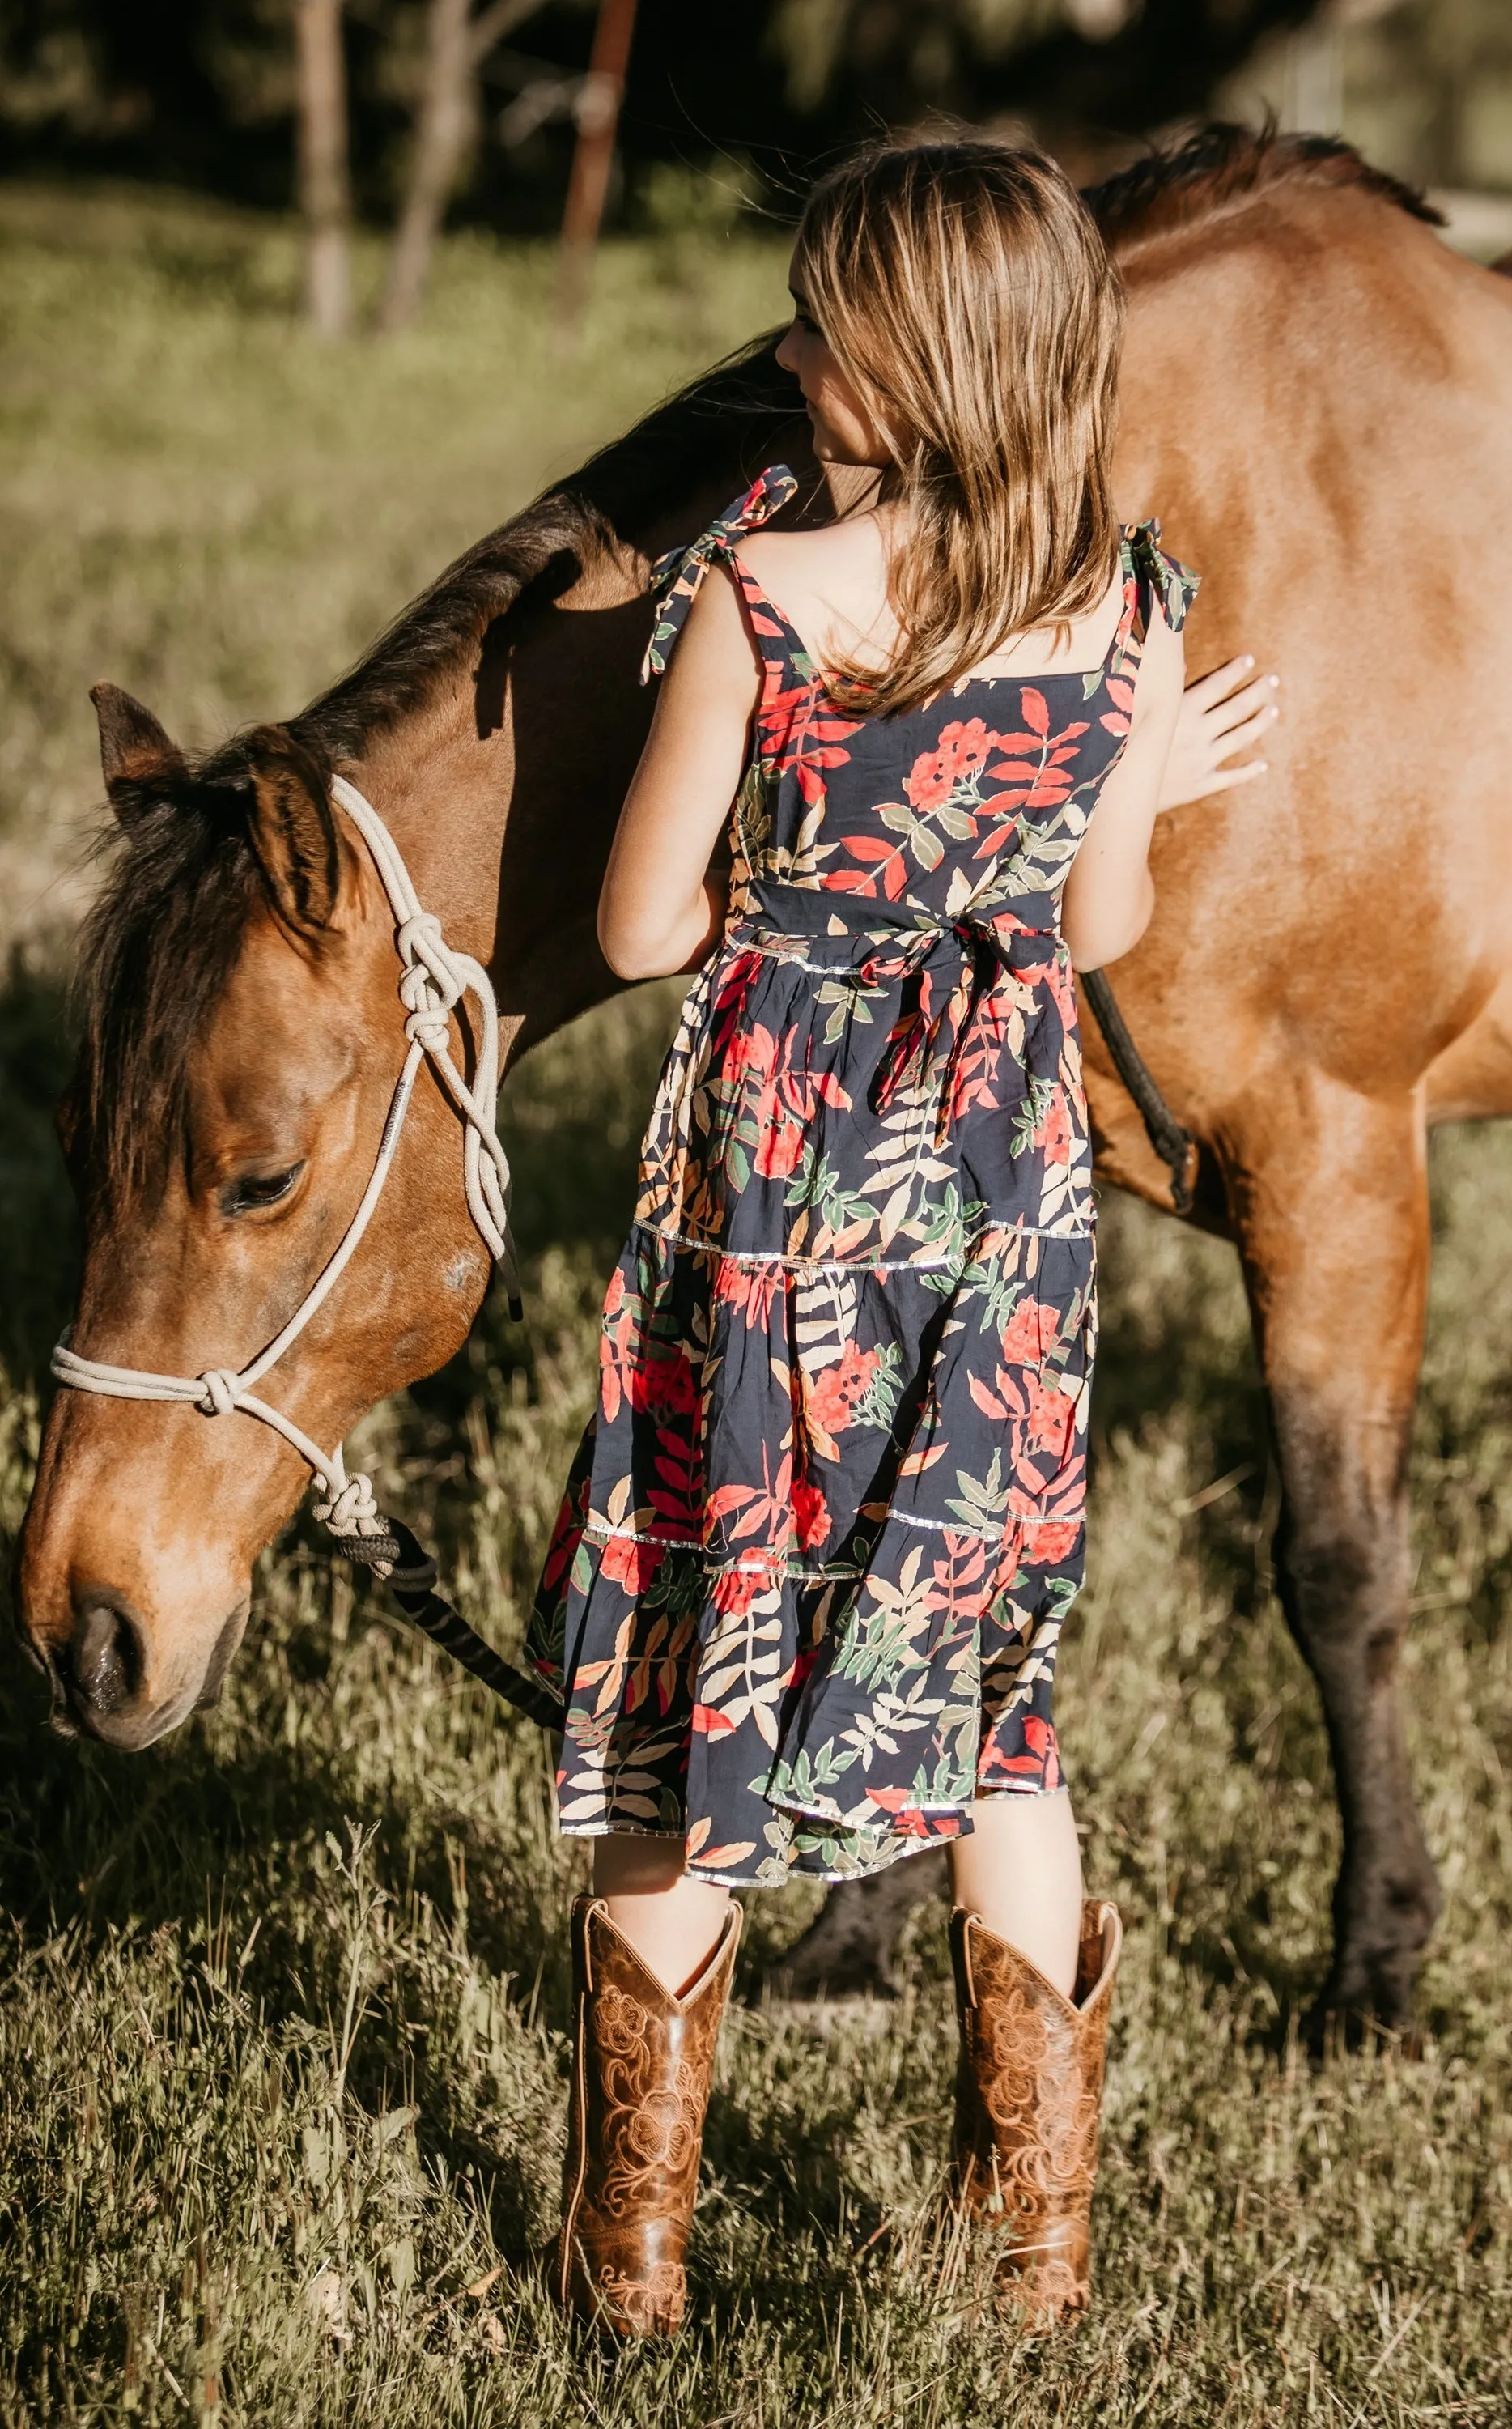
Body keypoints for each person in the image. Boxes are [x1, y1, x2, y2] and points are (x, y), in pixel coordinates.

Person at [529, 137, 1276, 2339]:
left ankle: (632, 2261)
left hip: (780, 1195)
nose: (785, 353)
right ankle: (1038, 2265)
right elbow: (1088, 923)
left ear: (920, 362)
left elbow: (643, 924)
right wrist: (1137, 770)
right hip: (1004, 1206)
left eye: (822, 323)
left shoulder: (770, 598)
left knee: (697, 1676)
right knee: (998, 1710)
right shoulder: (1125, 610)